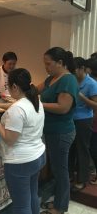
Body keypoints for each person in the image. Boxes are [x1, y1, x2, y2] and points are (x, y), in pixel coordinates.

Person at [0, 68, 45, 214]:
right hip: (38, 156)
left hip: (20, 162)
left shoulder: (17, 109)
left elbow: (9, 139)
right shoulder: (36, 101)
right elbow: (17, 106)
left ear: (15, 87)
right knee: (32, 196)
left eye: (9, 86)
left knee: (21, 206)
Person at [37, 47, 78, 214]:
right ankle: (59, 201)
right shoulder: (51, 78)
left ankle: (60, 207)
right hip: (52, 132)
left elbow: (63, 107)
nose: (46, 67)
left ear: (60, 63)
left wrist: (38, 104)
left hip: (61, 133)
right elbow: (34, 90)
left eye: (48, 64)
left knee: (60, 171)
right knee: (56, 169)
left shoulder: (68, 80)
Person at [69, 57, 97, 191]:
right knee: (71, 149)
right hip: (70, 118)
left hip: (84, 120)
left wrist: (81, 97)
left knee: (82, 149)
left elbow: (95, 106)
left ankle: (82, 180)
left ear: (82, 69)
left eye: (75, 71)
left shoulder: (91, 83)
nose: (73, 74)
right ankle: (69, 176)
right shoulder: (72, 80)